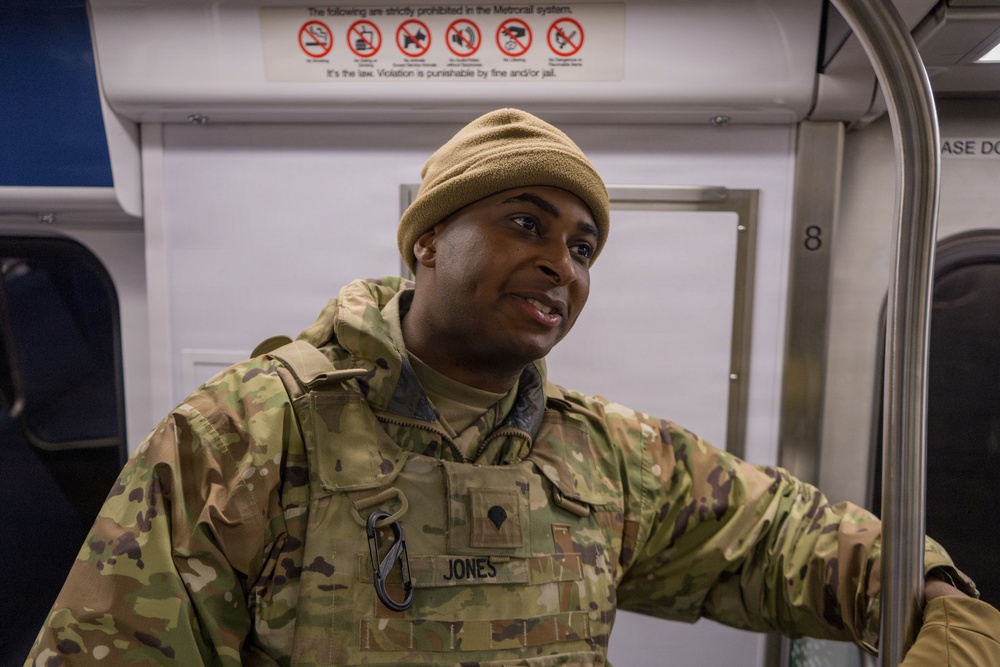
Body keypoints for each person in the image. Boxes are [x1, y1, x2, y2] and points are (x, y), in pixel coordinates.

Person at [27, 109, 999, 666]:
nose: (560, 264)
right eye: (523, 223)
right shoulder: (245, 433)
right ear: (425, 242)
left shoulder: (606, 454)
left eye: (582, 248)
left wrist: (934, 594)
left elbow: (779, 539)